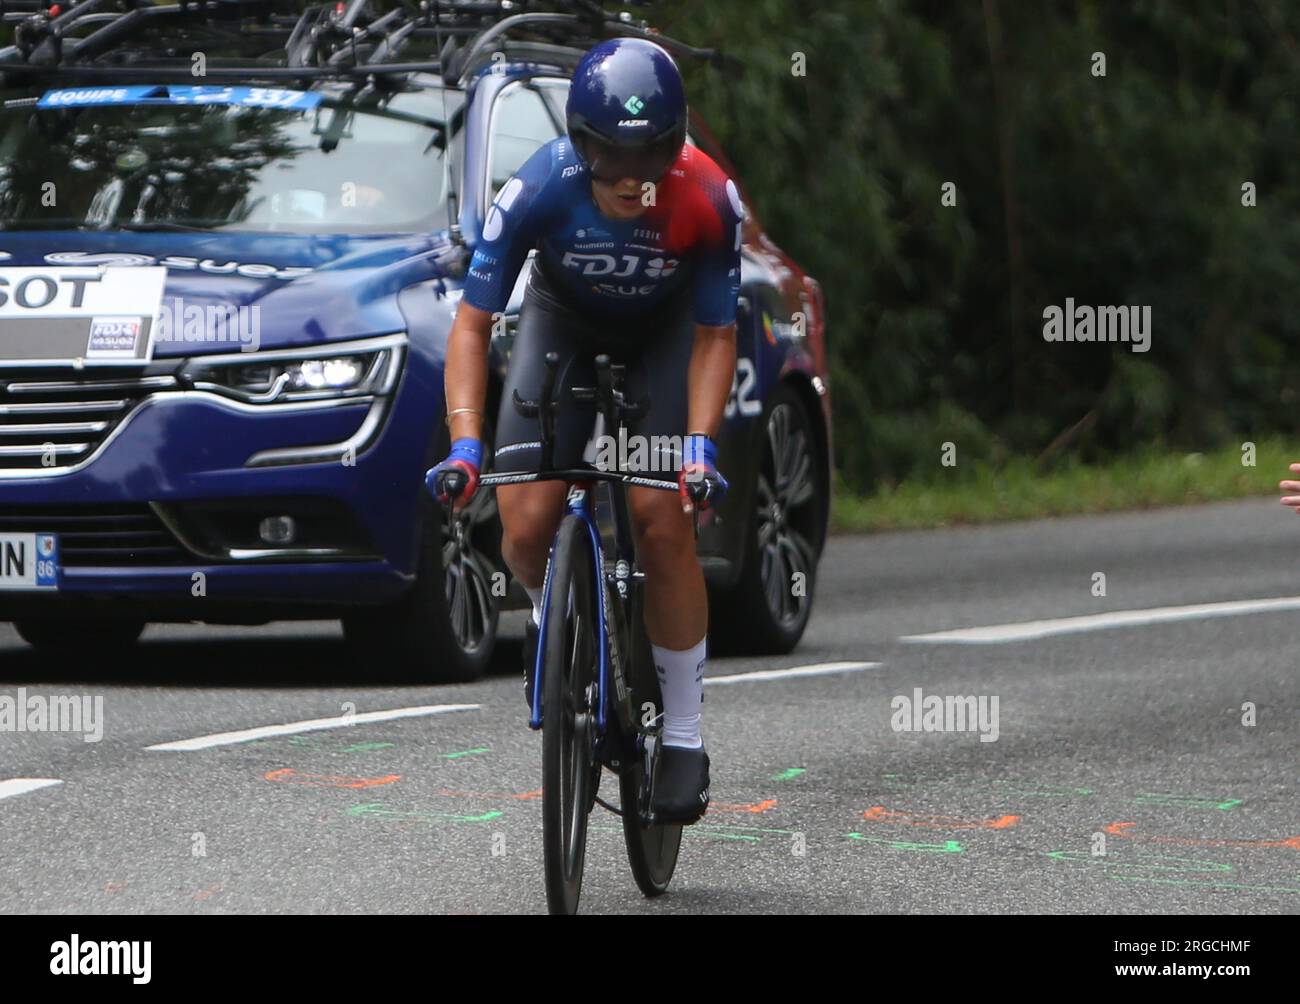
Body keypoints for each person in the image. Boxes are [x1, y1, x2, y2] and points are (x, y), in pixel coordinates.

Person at [427, 37, 742, 823]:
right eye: (613, 160)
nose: (635, 181)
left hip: (665, 337)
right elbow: (470, 329)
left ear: (677, 148)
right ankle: (553, 614)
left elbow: (713, 337)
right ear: (580, 148)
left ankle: (685, 737)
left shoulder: (708, 196)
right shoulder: (538, 189)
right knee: (526, 526)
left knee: (659, 519)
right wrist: (467, 444)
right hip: (561, 322)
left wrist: (698, 448)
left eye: (653, 159)